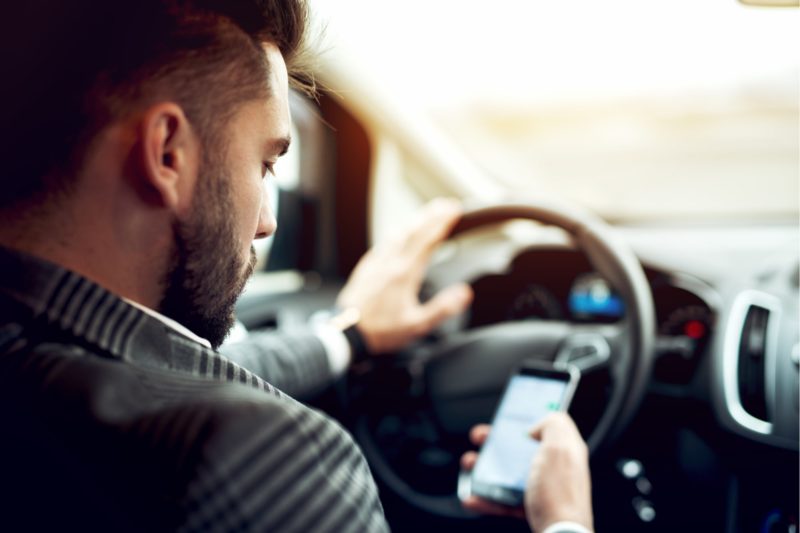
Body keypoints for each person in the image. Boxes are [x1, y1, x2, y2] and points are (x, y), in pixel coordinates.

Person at [0, 0, 592, 531]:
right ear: (167, 154)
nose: (266, 223)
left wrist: (352, 334)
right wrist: (565, 522)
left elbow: (206, 364)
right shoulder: (265, 460)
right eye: (264, 163)